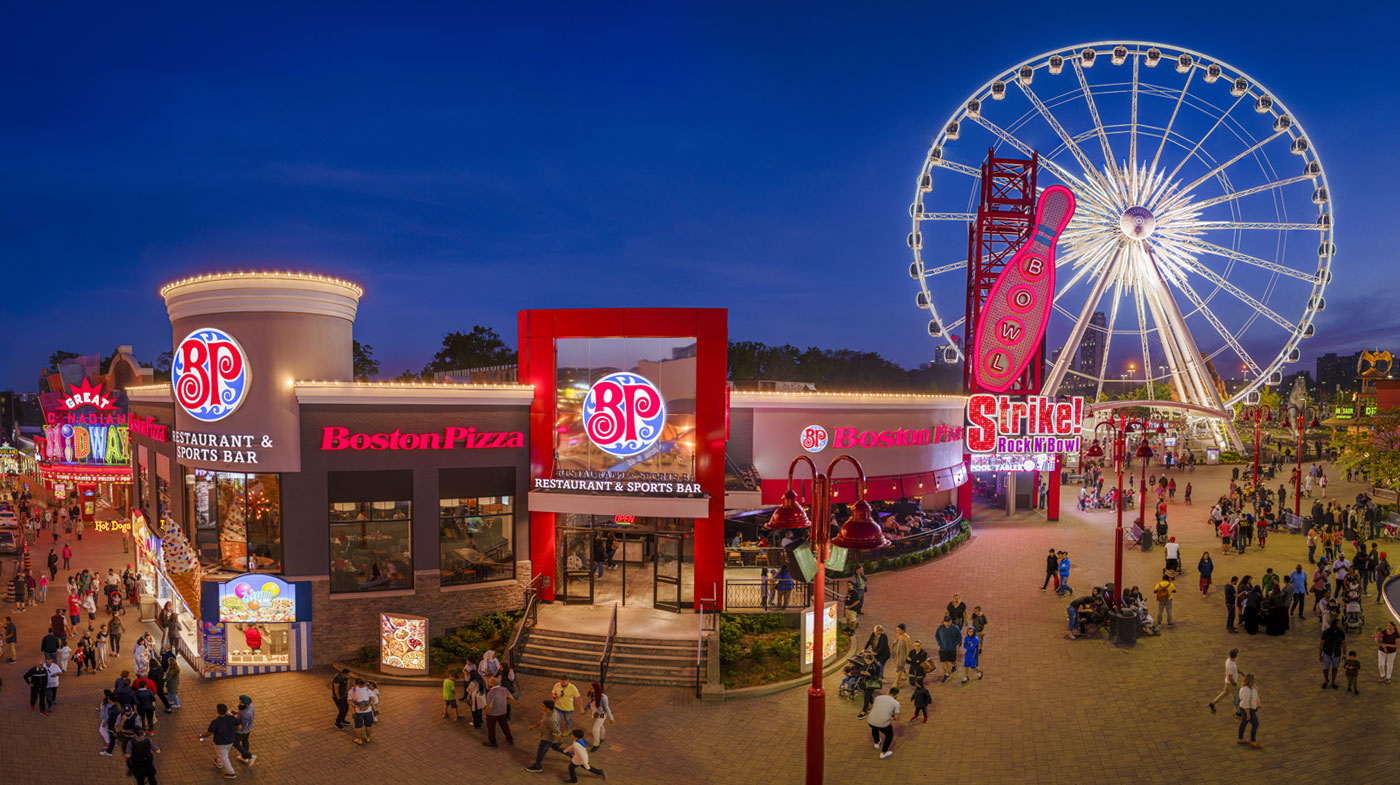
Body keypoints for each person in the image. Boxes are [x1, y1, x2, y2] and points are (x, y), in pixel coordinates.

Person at [199, 703, 239, 778]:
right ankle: (219, 762)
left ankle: (231, 773)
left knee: (224, 757)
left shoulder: (215, 722)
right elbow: (239, 727)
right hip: (230, 740)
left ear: (217, 712)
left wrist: (201, 736)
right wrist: (233, 731)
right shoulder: (232, 718)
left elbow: (209, 733)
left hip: (220, 742)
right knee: (224, 754)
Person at [525, 700, 563, 774]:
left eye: (543, 706)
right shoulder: (551, 712)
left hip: (547, 738)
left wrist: (560, 742)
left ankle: (537, 766)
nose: (541, 707)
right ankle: (571, 754)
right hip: (547, 736)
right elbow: (543, 720)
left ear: (547, 708)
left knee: (541, 752)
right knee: (556, 748)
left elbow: (557, 732)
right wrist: (534, 726)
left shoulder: (551, 719)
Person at [866, 685, 900, 759]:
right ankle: (883, 753)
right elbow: (896, 718)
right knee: (889, 735)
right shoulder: (896, 703)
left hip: (870, 721)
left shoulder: (878, 697)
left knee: (875, 728)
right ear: (896, 695)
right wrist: (892, 715)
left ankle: (876, 743)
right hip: (882, 724)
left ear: (888, 691)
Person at [483, 676, 514, 747]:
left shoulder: (490, 693)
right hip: (502, 711)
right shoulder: (504, 689)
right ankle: (510, 738)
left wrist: (485, 712)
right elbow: (511, 698)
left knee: (491, 728)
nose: (488, 683)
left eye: (489, 682)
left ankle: (492, 742)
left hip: (492, 714)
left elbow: (489, 706)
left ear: (492, 684)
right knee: (505, 726)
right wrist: (506, 703)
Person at [1207, 649, 1240, 714]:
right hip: (1231, 683)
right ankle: (1238, 712)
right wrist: (1234, 684)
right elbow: (1230, 677)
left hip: (1227, 681)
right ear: (1236, 656)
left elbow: (1236, 670)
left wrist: (1242, 673)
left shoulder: (1228, 660)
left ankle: (1212, 703)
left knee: (1225, 693)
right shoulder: (1232, 665)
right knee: (1236, 696)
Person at [583, 682, 611, 752]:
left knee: (595, 729)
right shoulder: (591, 694)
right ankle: (602, 737)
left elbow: (606, 707)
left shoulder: (603, 697)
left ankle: (596, 744)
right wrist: (585, 709)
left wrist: (611, 717)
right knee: (600, 726)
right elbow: (589, 703)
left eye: (592, 688)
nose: (590, 689)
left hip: (601, 714)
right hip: (595, 712)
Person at [1320, 618, 1346, 690]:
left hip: (1337, 653)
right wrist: (1320, 655)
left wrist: (1344, 654)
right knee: (1325, 668)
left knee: (1335, 668)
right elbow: (1321, 644)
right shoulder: (1326, 632)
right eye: (1339, 624)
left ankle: (1333, 681)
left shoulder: (1341, 633)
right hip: (1327, 652)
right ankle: (1326, 680)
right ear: (1335, 625)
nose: (1341, 625)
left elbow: (1343, 643)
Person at [1236, 674, 1261, 748]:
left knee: (1244, 723)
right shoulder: (1246, 690)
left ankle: (1240, 739)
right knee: (1255, 723)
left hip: (1250, 708)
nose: (1255, 680)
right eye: (1253, 679)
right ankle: (1252, 741)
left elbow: (1254, 696)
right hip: (1247, 709)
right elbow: (1245, 702)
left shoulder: (1252, 687)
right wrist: (1248, 713)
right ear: (1250, 680)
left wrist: (1257, 704)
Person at [349, 678, 375, 745]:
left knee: (358, 726)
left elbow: (349, 701)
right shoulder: (368, 690)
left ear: (356, 684)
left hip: (358, 712)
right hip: (368, 711)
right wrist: (367, 706)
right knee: (368, 725)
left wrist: (358, 707)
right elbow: (372, 700)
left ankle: (359, 740)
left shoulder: (352, 691)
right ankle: (368, 738)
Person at [933, 617, 960, 682]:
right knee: (943, 661)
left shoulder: (955, 628)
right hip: (943, 649)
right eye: (946, 622)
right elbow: (937, 635)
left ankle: (954, 664)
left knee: (952, 660)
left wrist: (954, 645)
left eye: (948, 622)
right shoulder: (940, 628)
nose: (947, 623)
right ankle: (946, 674)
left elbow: (959, 637)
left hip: (951, 649)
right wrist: (940, 643)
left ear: (951, 621)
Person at [233, 695, 255, 766]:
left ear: (242, 702)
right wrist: (237, 713)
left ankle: (249, 756)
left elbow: (242, 725)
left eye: (240, 700)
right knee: (245, 741)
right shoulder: (251, 705)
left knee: (235, 743)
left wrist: (235, 730)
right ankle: (245, 758)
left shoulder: (245, 714)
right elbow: (242, 712)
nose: (239, 701)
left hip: (242, 731)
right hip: (248, 729)